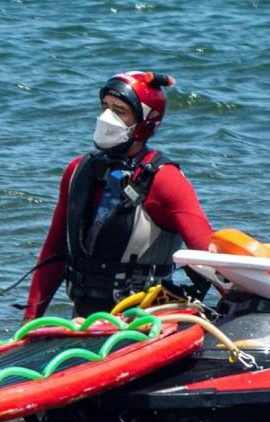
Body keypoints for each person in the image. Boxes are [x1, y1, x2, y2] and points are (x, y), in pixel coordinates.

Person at [23, 71, 214, 320]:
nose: (106, 118)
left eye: (119, 111)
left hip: (145, 321)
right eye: (105, 107)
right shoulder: (77, 171)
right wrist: (28, 324)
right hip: (85, 320)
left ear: (146, 122)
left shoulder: (166, 180)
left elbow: (207, 254)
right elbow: (53, 254)